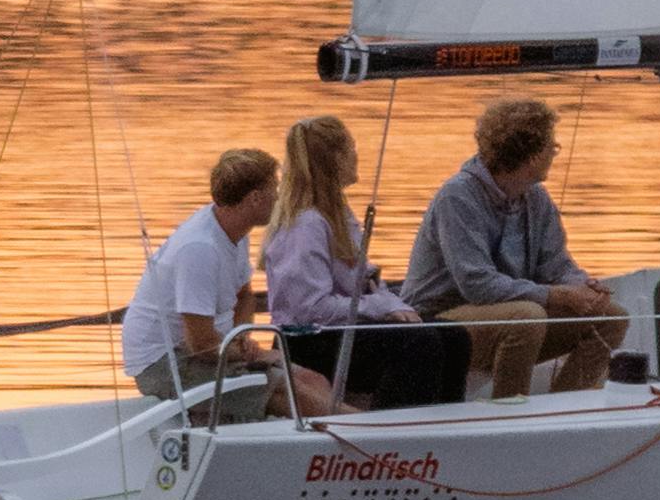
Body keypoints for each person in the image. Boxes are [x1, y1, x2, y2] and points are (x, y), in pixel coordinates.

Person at [402, 98, 619, 401]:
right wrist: (556, 295)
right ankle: (509, 411)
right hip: (437, 319)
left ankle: (567, 406)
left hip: (506, 310)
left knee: (610, 316)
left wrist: (582, 285)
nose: (555, 152)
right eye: (551, 147)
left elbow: (555, 266)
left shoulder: (535, 198)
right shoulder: (458, 197)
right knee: (526, 317)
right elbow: (477, 285)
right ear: (531, 155)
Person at [261, 113, 470, 412]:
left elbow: (367, 283)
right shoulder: (306, 224)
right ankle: (392, 429)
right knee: (418, 344)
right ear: (335, 158)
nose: (357, 156)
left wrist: (395, 306)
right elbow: (311, 309)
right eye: (352, 148)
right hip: (309, 341)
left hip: (338, 330)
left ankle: (444, 422)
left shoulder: (338, 215)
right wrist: (380, 308)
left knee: (453, 336)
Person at [120, 145, 331, 423]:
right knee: (292, 393)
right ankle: (370, 437)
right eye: (274, 189)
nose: (279, 197)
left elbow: (244, 295)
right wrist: (249, 355)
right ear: (256, 198)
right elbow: (201, 343)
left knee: (312, 380)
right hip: (165, 363)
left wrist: (242, 339)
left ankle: (349, 440)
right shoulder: (200, 248)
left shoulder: (234, 231)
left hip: (206, 350)